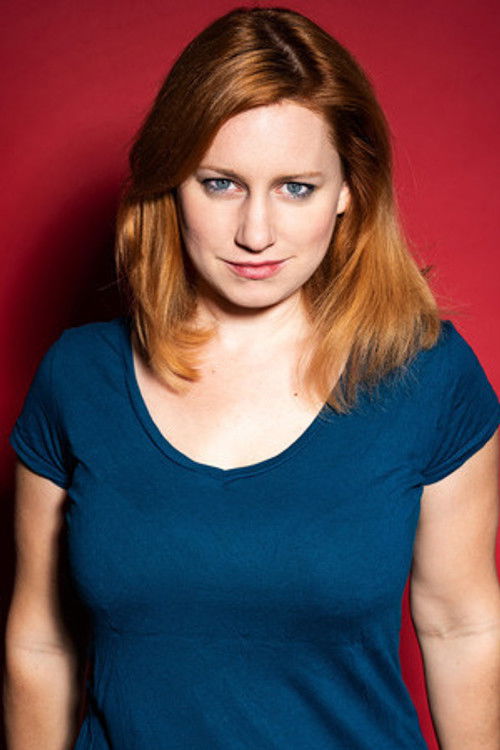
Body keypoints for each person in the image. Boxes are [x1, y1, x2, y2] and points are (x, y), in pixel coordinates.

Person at [4, 6, 500, 749]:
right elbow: (40, 644)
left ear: (349, 189)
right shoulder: (79, 378)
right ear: (172, 182)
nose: (256, 233)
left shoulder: (427, 375)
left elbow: (461, 625)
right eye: (221, 183)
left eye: (296, 187)